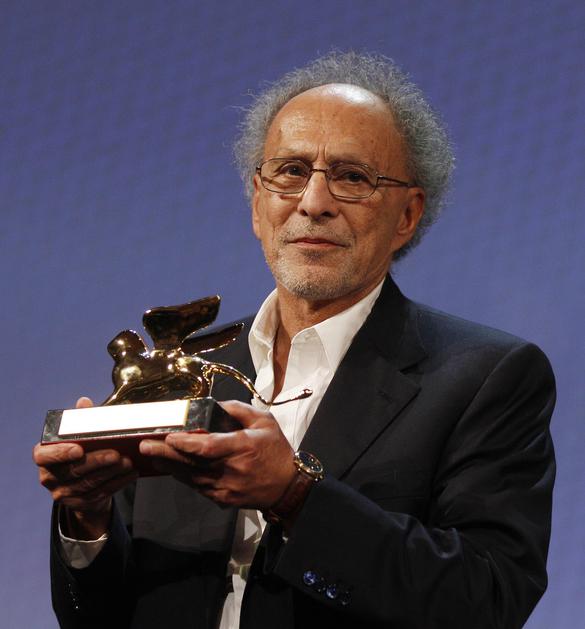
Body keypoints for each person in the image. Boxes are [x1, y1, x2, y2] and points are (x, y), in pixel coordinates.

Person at [33, 52, 555, 629]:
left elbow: (487, 600)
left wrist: (295, 496)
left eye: (352, 177)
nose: (314, 202)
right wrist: (87, 518)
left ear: (407, 216)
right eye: (290, 171)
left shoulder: (485, 377)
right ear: (258, 203)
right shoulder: (185, 368)